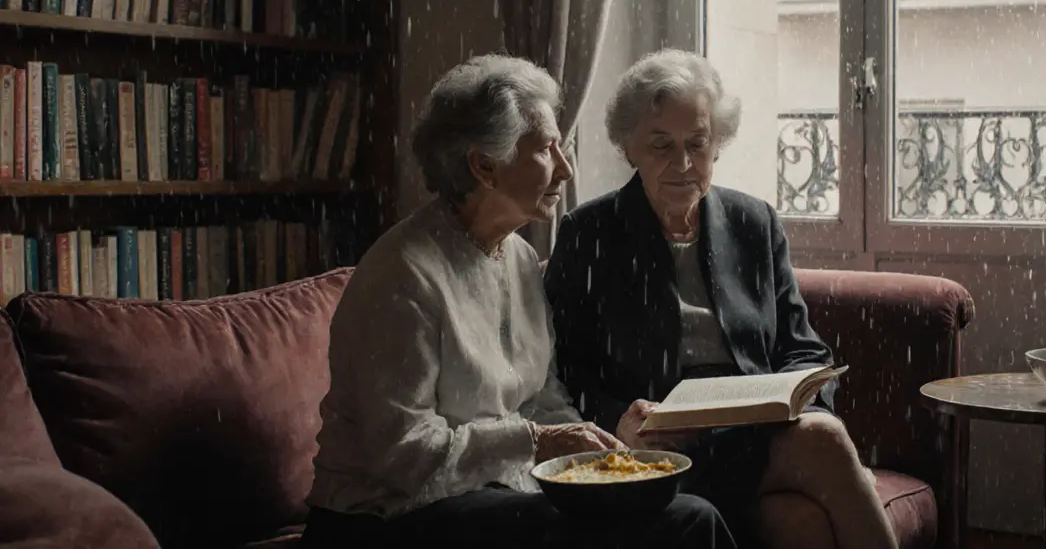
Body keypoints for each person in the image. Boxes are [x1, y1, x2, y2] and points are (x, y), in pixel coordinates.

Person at [301, 55, 736, 549]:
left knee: (688, 511)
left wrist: (605, 445)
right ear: (484, 165)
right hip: (381, 519)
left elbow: (541, 399)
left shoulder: (520, 257)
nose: (566, 168)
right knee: (679, 524)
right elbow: (403, 457)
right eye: (548, 149)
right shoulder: (404, 275)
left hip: (491, 495)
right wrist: (537, 442)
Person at [546, 49, 898, 549]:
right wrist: (618, 421)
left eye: (698, 142)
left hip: (753, 435)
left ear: (718, 144)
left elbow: (803, 348)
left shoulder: (754, 222)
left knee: (820, 453)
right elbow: (566, 368)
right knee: (801, 519)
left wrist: (800, 404)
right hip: (659, 449)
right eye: (662, 145)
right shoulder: (589, 233)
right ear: (630, 148)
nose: (683, 163)